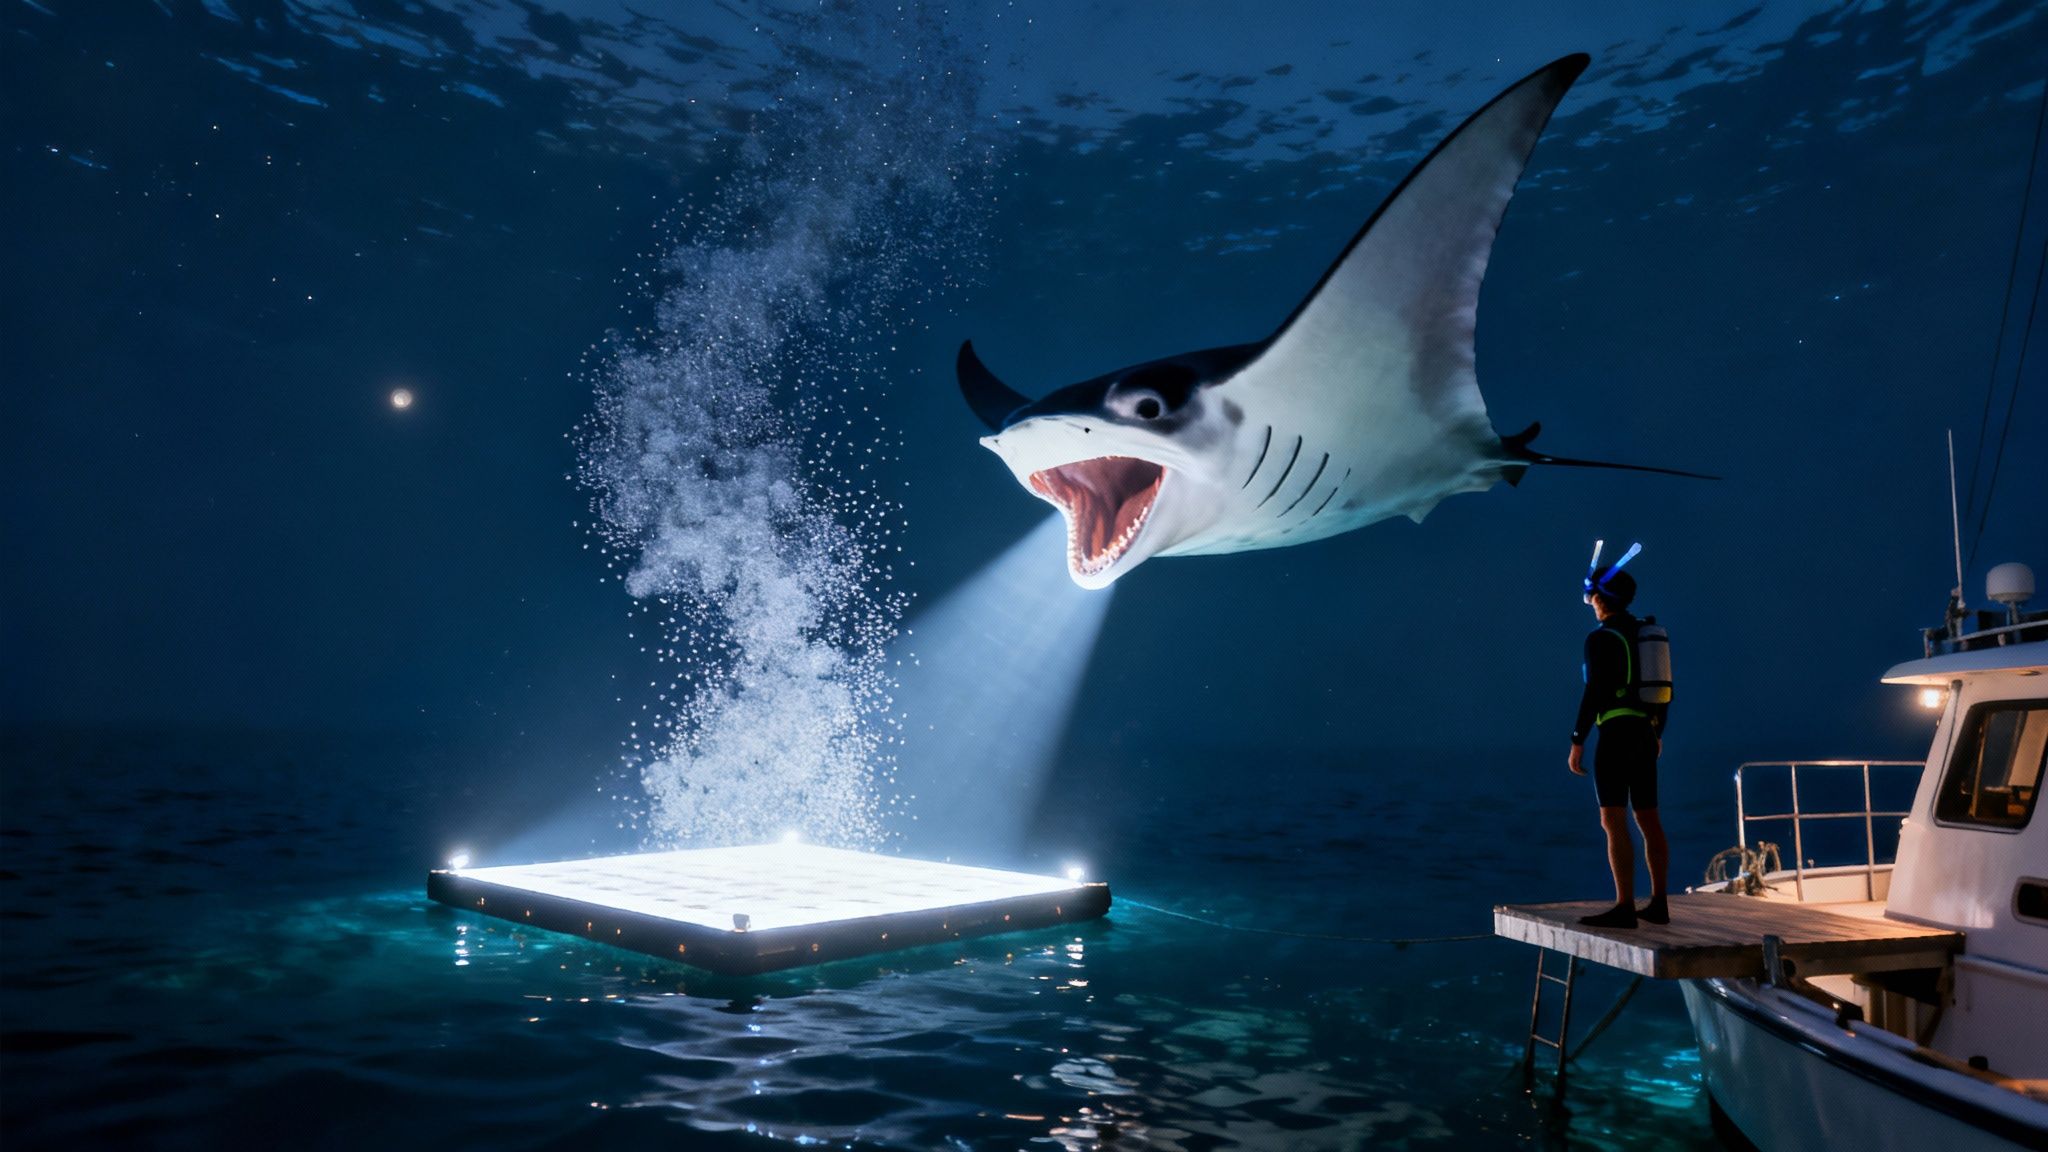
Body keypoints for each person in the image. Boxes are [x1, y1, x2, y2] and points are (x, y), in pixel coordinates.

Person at [1568, 559, 1669, 929]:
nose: (1591, 602)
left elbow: (1594, 691)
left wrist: (1578, 740)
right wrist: (1657, 732)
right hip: (1645, 732)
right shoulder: (1646, 634)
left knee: (1613, 819)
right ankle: (1659, 903)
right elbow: (1663, 690)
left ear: (1600, 599)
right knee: (1649, 817)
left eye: (1593, 597)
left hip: (1615, 733)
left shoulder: (1600, 638)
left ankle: (1625, 906)